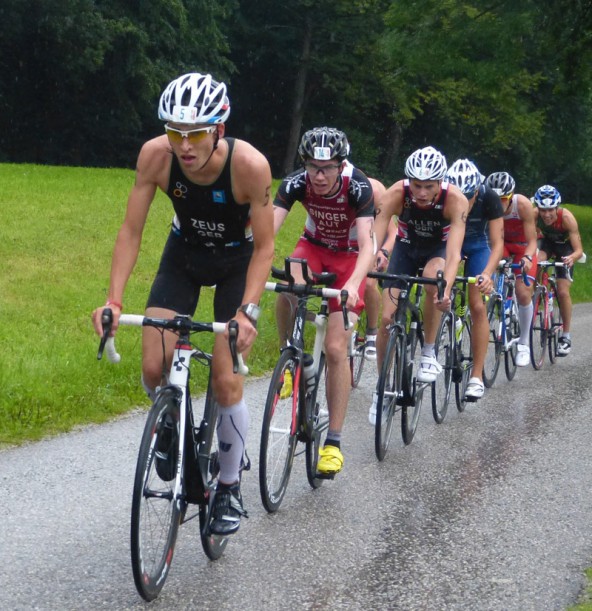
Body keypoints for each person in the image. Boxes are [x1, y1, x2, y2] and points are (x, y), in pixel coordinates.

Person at [91, 72, 274, 536]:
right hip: (185, 258)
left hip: (238, 263)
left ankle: (229, 487)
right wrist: (113, 299)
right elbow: (131, 231)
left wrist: (247, 312)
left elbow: (267, 249)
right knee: (154, 365)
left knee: (226, 379)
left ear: (219, 130)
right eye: (175, 132)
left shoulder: (249, 167)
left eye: (195, 134)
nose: (184, 145)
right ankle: (171, 420)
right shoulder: (156, 156)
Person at [273, 126, 376, 476]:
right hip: (314, 248)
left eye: (327, 168)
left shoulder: (357, 185)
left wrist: (354, 285)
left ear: (340, 165)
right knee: (288, 283)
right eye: (312, 166)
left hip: (349, 258)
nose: (318, 175)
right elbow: (266, 232)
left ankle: (333, 441)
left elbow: (368, 246)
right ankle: (290, 355)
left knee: (335, 349)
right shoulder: (296, 182)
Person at [371, 146, 469, 424]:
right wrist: (371, 261)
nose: (422, 193)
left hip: (437, 250)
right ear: (408, 181)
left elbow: (453, 254)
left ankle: (428, 350)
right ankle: (382, 388)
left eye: (428, 186)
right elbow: (374, 237)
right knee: (387, 320)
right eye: (416, 185)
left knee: (433, 281)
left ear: (441, 182)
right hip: (405, 246)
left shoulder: (456, 201)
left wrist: (446, 289)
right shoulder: (395, 194)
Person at [445, 159, 504, 399]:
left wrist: (487, 274)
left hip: (478, 245)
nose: (464, 201)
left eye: (468, 195)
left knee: (477, 305)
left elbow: (497, 242)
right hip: (449, 242)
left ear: (477, 190)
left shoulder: (489, 196)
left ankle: (477, 376)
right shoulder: (442, 193)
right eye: (459, 194)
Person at [486, 171, 537, 367]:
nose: (498, 204)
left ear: (511, 195)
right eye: (495, 199)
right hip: (502, 245)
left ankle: (524, 343)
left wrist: (527, 258)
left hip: (522, 246)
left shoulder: (522, 204)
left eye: (503, 199)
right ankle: (499, 302)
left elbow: (532, 241)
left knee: (523, 292)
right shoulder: (486, 204)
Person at [533, 184, 583, 355]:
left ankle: (566, 336)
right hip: (547, 243)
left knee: (562, 292)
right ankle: (537, 294)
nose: (546, 214)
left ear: (557, 207)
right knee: (537, 261)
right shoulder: (534, 215)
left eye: (550, 210)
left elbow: (579, 250)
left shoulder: (567, 218)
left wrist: (571, 258)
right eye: (543, 210)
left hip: (565, 248)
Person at [362, 213, 397, 361]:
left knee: (369, 284)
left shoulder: (373, 195)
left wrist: (383, 252)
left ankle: (371, 331)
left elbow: (394, 232)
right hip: (348, 247)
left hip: (373, 249)